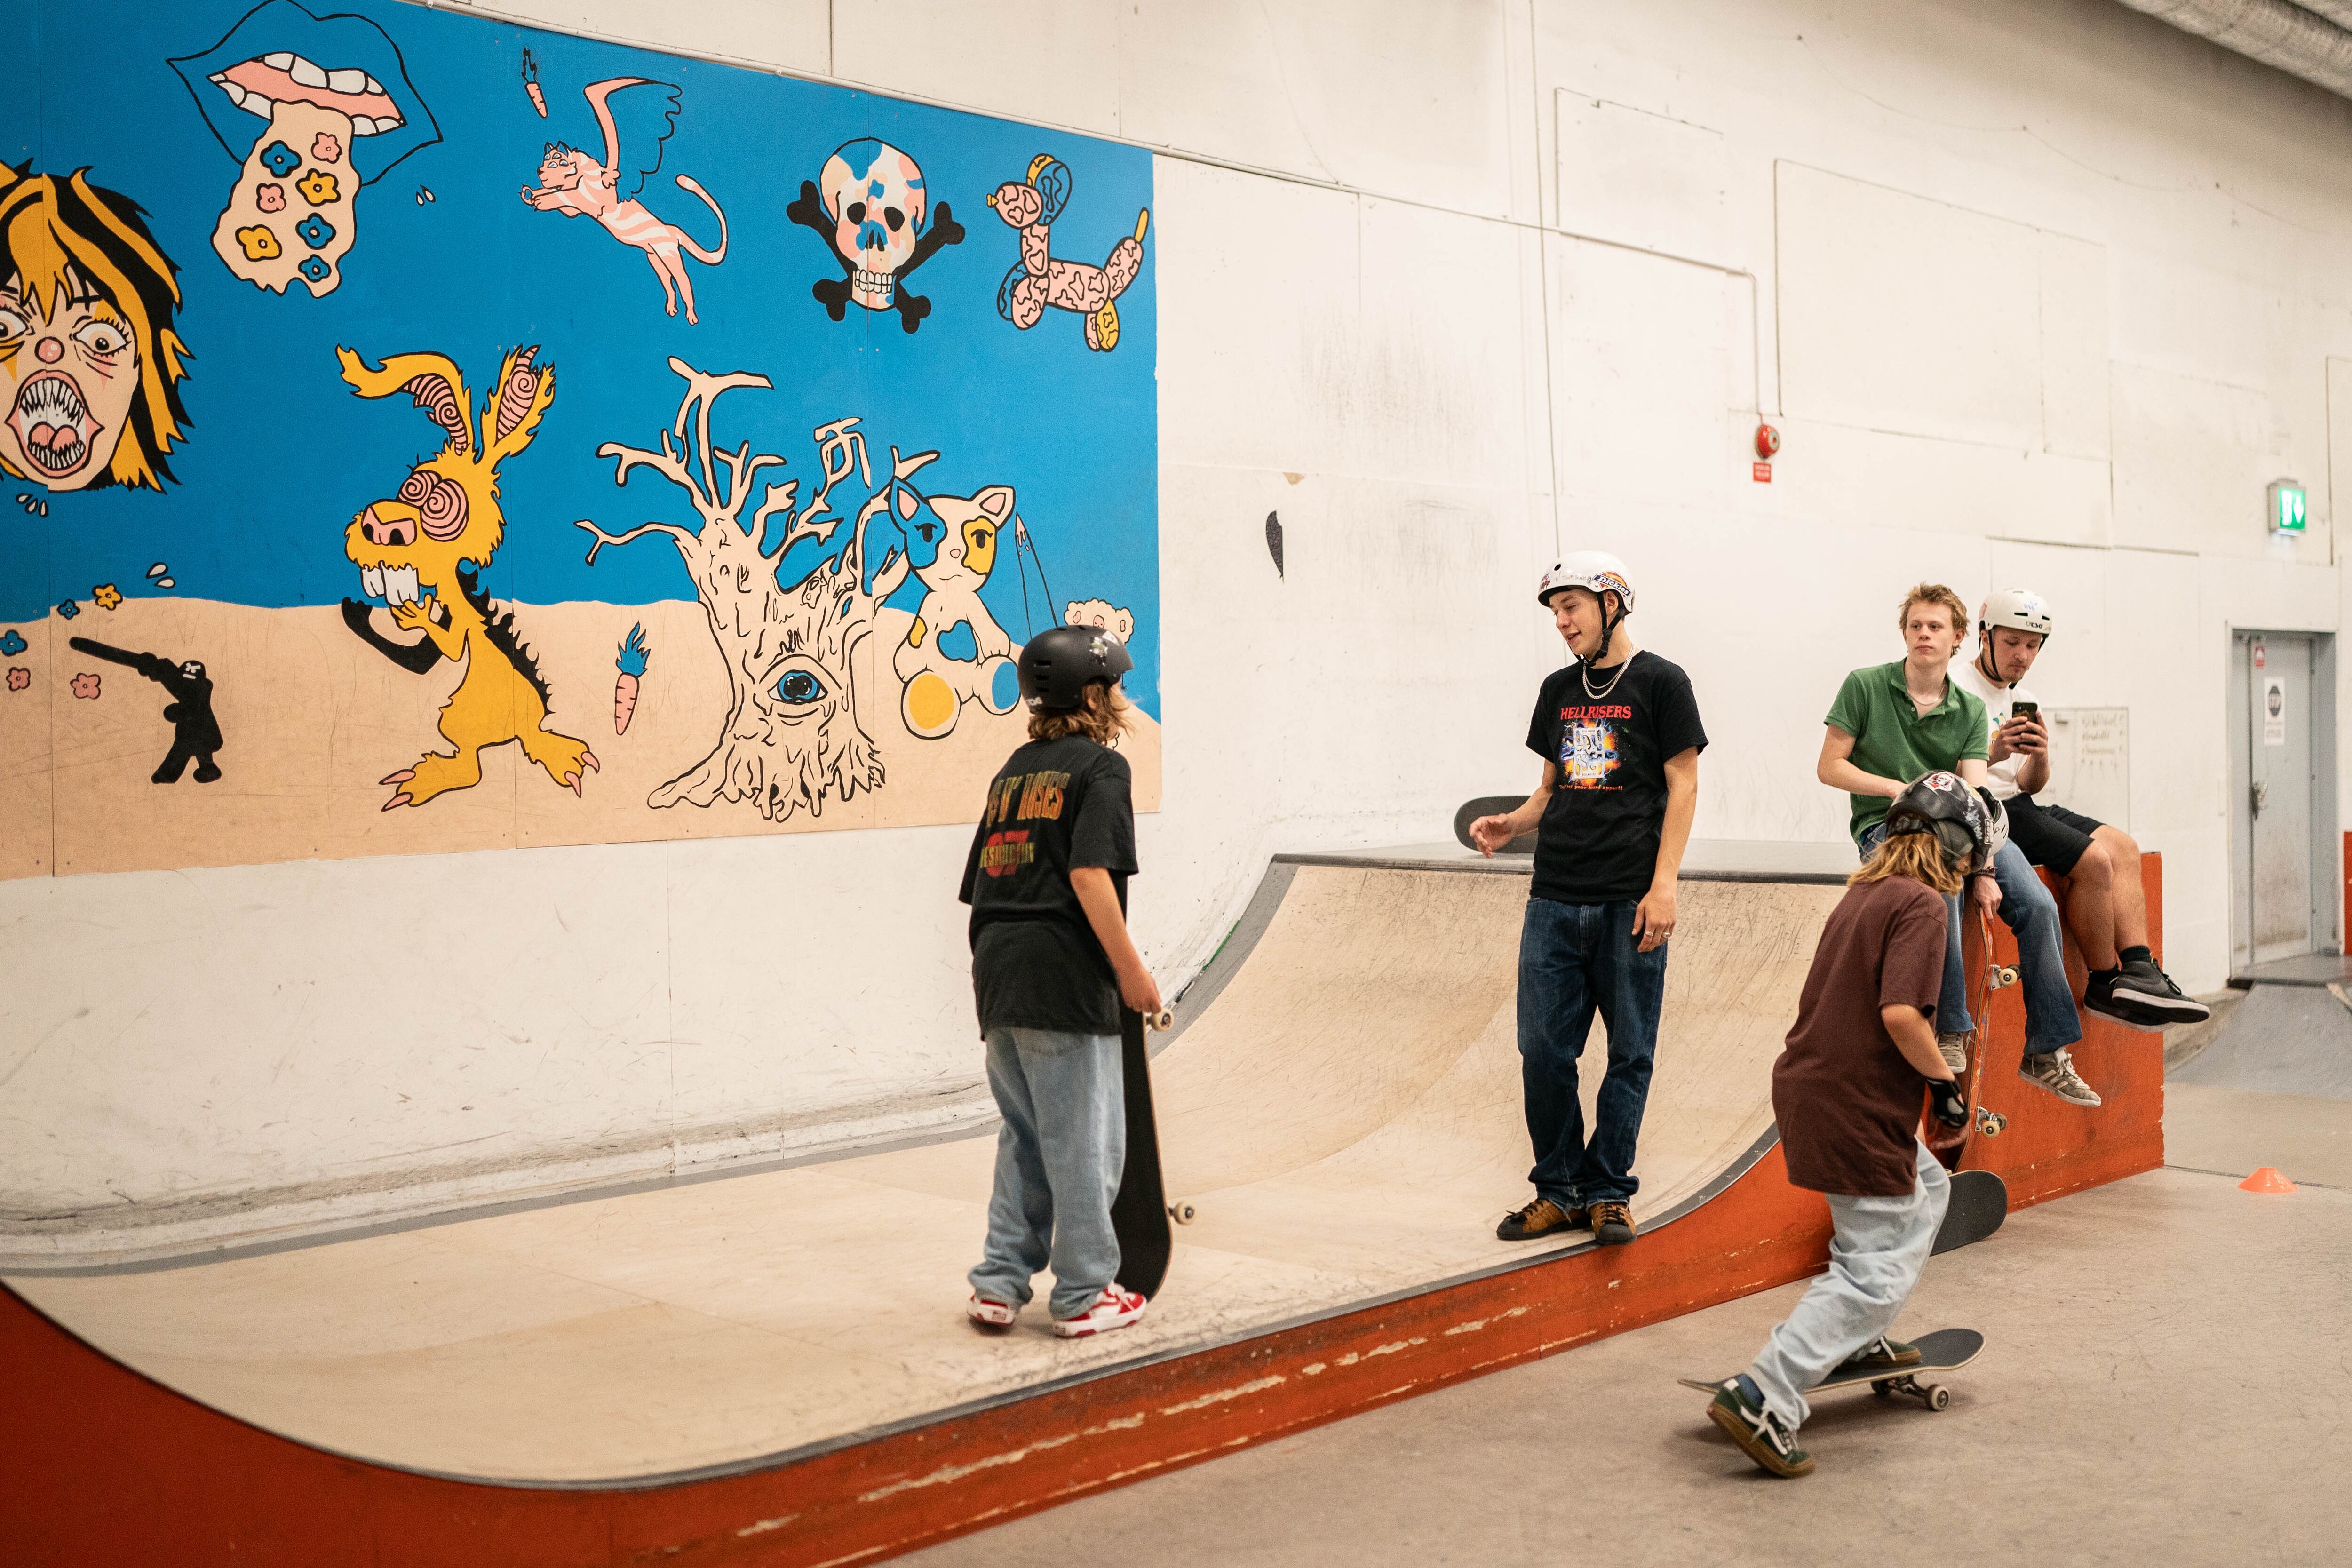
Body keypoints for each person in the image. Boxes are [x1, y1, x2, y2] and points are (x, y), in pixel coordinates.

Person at [1704, 773, 1986, 1478]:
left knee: (1927, 1186)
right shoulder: (1923, 905)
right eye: (1970, 858)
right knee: (1875, 1270)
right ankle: (1765, 1392)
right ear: (1954, 848)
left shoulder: (1865, 893)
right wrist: (1944, 1084)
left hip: (1813, 1091)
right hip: (1855, 1106)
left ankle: (1862, 1337)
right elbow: (1901, 1015)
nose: (1968, 872)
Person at [1470, 552, 1707, 1248]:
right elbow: (1551, 789)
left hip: (1629, 897)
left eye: (1571, 606)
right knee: (1542, 1050)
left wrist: (1664, 886)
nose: (1562, 622)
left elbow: (1684, 786)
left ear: (1612, 604)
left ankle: (1608, 1191)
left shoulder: (1663, 683)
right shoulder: (1557, 690)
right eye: (1554, 612)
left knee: (1629, 1051)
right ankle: (1559, 1189)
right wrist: (1513, 822)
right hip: (1554, 895)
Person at [1817, 584, 2099, 1108]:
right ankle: (1950, 1029)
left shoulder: (1969, 708)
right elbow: (1829, 766)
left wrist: (1987, 866)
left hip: (1956, 826)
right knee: (1943, 886)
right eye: (1915, 626)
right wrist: (1894, 788)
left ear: (1958, 638)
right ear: (1904, 633)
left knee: (2037, 905)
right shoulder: (1863, 687)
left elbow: (1975, 791)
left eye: (1935, 628)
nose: (1924, 635)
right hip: (1889, 825)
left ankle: (2046, 1050)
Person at [960, 624, 1160, 1338]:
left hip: (999, 968)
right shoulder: (1102, 769)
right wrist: (1131, 971)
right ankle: (1082, 1294)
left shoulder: (1013, 769)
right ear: (1096, 692)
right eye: (1118, 685)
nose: (1124, 697)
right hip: (1062, 974)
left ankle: (999, 1282)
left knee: (1024, 1136)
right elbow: (1086, 873)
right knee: (1084, 1142)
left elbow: (981, 883)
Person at [1950, 589, 2209, 1030]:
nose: (2022, 655)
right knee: (2095, 861)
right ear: (1984, 635)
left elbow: (2030, 784)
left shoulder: (2023, 695)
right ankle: (2104, 982)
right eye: (2012, 642)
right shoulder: (1956, 686)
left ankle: (2140, 970)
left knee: (2123, 847)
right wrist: (1992, 753)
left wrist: (2041, 755)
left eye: (2032, 646)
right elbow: (1950, 774)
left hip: (2023, 802)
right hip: (1987, 810)